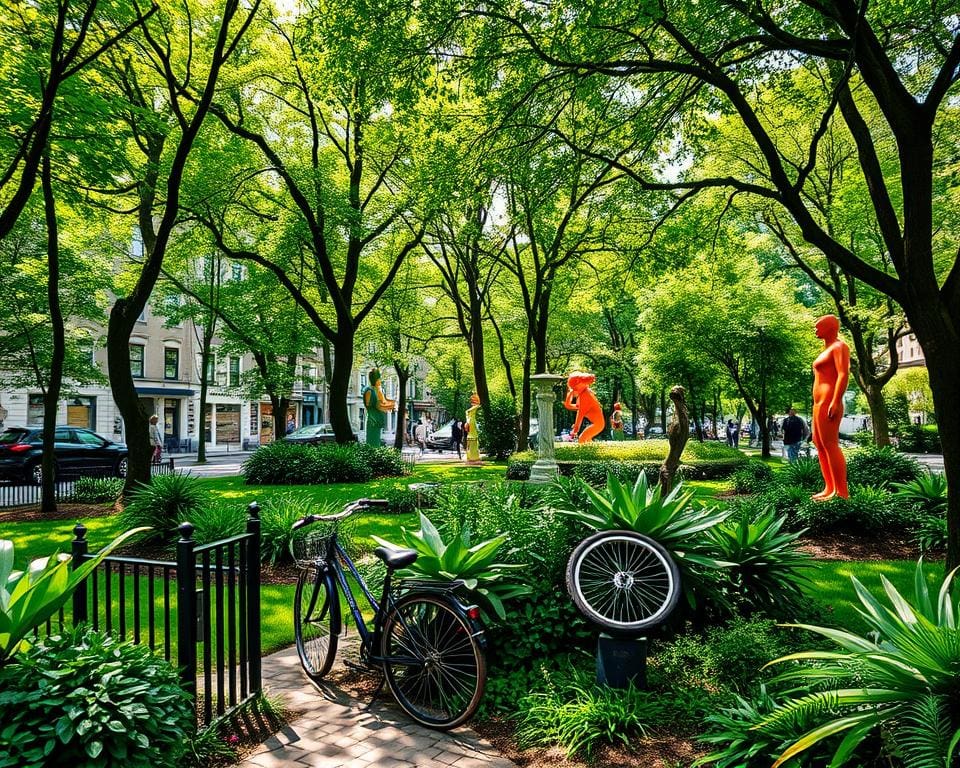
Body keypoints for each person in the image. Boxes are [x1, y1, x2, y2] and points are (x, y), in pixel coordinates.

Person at [811, 314, 850, 499]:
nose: (815, 330)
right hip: (818, 402)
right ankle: (829, 487)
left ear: (830, 328)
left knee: (830, 444)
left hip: (828, 401)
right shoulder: (825, 350)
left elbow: (843, 374)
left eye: (819, 327)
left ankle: (841, 491)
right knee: (819, 444)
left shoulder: (839, 347)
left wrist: (836, 400)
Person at [562, 371, 605, 443]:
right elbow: (568, 405)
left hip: (598, 425)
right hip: (597, 424)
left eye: (575, 388)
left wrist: (575, 430)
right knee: (587, 441)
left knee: (581, 439)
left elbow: (580, 414)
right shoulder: (582, 394)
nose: (574, 390)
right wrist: (570, 393)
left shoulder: (585, 396)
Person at [362, 368, 395, 446]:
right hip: (373, 420)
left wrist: (390, 404)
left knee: (376, 441)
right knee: (373, 442)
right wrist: (390, 405)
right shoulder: (369, 391)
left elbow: (383, 402)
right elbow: (375, 405)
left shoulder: (377, 390)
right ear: (375, 380)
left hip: (377, 421)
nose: (380, 381)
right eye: (379, 379)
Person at [465, 393, 481, 463]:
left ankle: (472, 457)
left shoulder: (471, 410)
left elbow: (467, 412)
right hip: (471, 423)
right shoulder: (473, 409)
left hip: (471, 423)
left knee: (472, 437)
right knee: (472, 437)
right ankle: (473, 457)